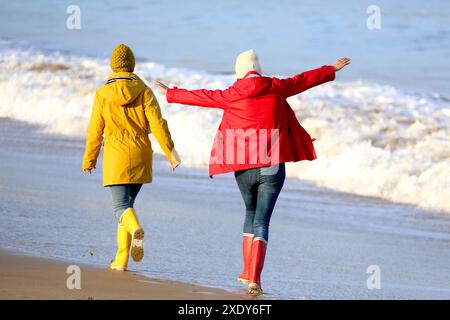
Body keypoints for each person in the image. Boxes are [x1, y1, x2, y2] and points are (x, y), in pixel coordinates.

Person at [155, 50, 350, 295]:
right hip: (271, 165)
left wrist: (171, 93)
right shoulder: (276, 86)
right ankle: (254, 277)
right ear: (259, 69)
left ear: (239, 72)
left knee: (250, 212)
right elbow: (304, 80)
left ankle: (248, 271)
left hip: (244, 166)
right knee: (262, 220)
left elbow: (202, 96)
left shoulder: (231, 94)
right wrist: (331, 68)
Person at [82, 44, 181, 271]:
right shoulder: (144, 90)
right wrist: (171, 153)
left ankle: (135, 229)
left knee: (120, 208)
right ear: (132, 65)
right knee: (127, 205)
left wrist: (90, 159)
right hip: (140, 154)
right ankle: (121, 260)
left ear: (113, 66)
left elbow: (94, 131)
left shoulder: (102, 94)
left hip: (116, 156)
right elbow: (158, 124)